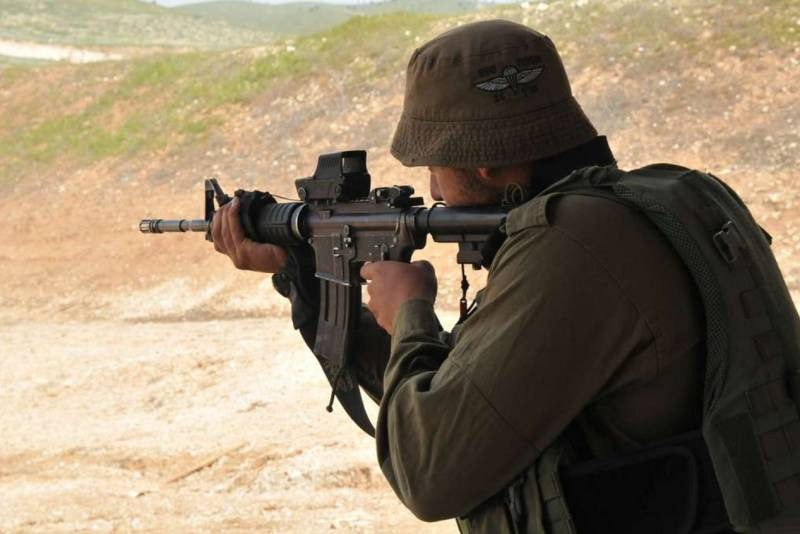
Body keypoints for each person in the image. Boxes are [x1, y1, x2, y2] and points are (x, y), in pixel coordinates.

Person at [212, 20, 713, 533]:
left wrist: (409, 315)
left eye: (434, 167)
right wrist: (300, 273)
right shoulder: (645, 205)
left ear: (484, 164)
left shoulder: (571, 242)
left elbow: (428, 473)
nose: (432, 190)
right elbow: (465, 399)